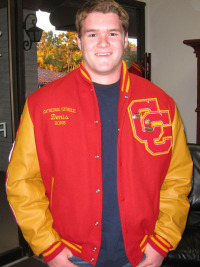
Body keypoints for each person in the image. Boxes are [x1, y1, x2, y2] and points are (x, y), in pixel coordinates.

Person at [6, 0, 193, 266]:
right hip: (72, 254)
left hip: (140, 252)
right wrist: (49, 247)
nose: (103, 43)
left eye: (113, 33)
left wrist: (161, 243)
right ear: (79, 42)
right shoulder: (41, 105)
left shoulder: (162, 104)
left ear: (126, 40)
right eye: (93, 34)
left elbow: (177, 180)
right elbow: (22, 183)